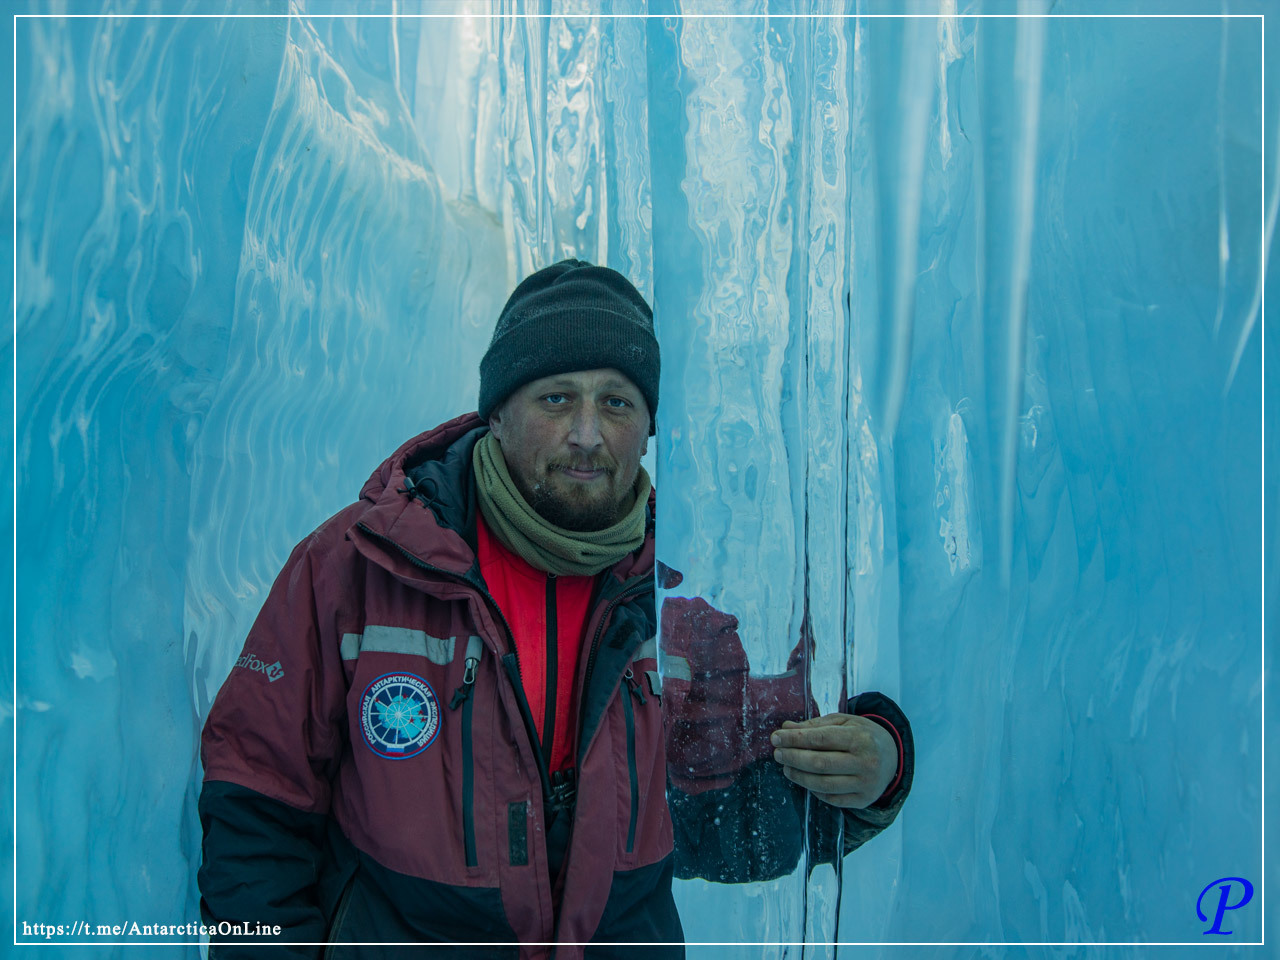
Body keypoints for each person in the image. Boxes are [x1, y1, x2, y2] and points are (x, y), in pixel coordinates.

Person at [198, 260, 914, 959]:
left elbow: (737, 818)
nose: (586, 433)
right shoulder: (357, 568)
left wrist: (876, 765)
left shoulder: (678, 621)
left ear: (647, 428)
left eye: (616, 402)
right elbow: (257, 801)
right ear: (499, 413)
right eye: (555, 398)